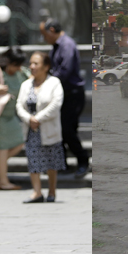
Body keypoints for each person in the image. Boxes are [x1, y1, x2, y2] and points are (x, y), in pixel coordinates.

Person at [40, 18, 89, 178]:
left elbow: (64, 71)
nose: (44, 38)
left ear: (52, 30)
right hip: (63, 95)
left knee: (67, 130)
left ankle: (83, 162)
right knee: (62, 130)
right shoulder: (56, 46)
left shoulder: (66, 45)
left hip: (72, 95)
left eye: (45, 34)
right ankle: (63, 165)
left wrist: (47, 82)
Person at [16, 51, 65, 203]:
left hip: (48, 128)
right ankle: (37, 192)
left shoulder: (54, 82)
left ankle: (51, 191)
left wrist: (38, 118)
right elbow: (19, 105)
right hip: (31, 129)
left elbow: (56, 104)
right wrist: (28, 118)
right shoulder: (26, 84)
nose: (32, 66)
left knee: (51, 162)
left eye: (36, 63)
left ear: (46, 66)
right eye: (31, 63)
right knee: (33, 161)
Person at [0, 47, 29, 190]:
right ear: (8, 61)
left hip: (11, 115)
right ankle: (3, 182)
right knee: (3, 147)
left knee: (20, 142)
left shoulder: (21, 72)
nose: (17, 68)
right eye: (15, 64)